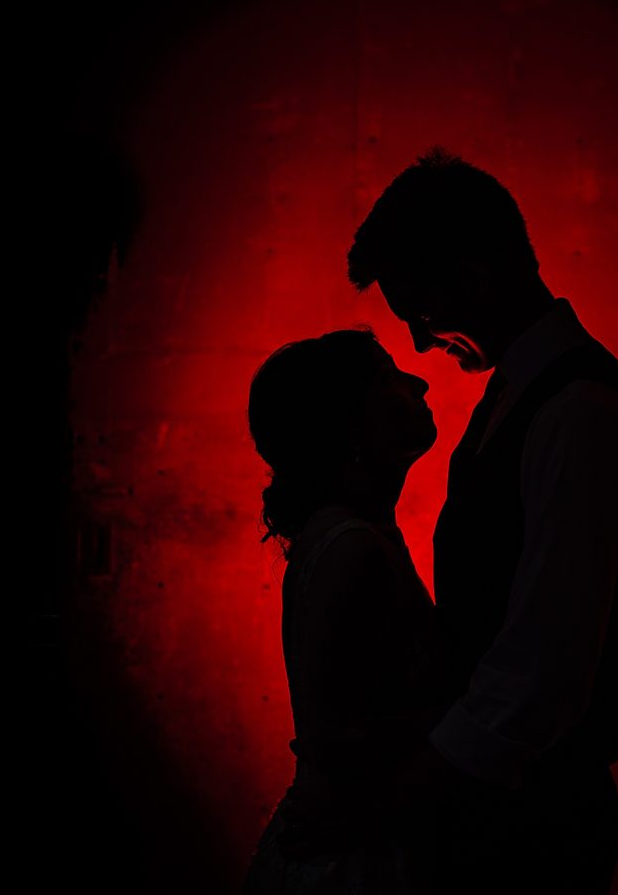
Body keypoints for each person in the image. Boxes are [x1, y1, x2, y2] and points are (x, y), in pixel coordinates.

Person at [347, 150, 618, 895]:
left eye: (421, 314)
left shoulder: (578, 412)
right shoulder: (523, 397)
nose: (419, 344)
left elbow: (543, 663)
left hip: (530, 829)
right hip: (497, 809)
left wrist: (408, 791)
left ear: (475, 276)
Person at [244, 330, 441, 894]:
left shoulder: (351, 536)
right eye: (388, 377)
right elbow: (343, 740)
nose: (419, 382)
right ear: (351, 425)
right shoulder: (351, 548)